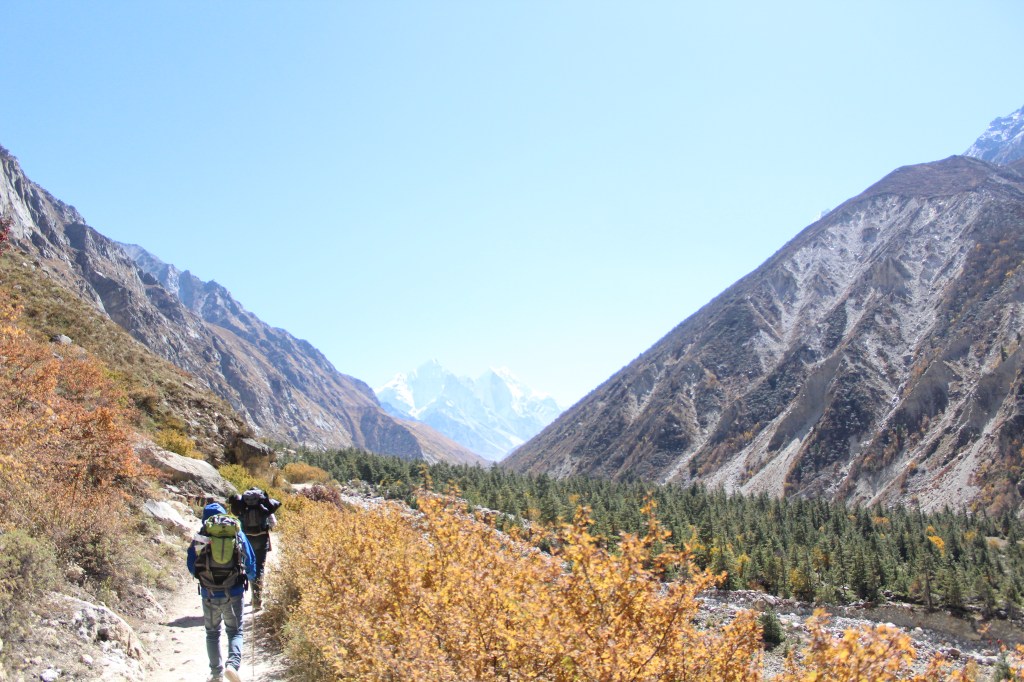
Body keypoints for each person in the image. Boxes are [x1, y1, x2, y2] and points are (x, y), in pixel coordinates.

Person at [188, 502, 257, 682]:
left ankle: (216, 674)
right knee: (235, 631)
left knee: (212, 633)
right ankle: (232, 666)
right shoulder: (236, 533)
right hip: (234, 592)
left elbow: (191, 566)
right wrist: (251, 577)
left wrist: (205, 578)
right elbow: (250, 562)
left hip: (209, 594)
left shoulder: (201, 536)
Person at [228, 487, 281, 611]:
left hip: (246, 539)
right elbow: (273, 523)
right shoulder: (263, 505)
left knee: (245, 565)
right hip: (261, 539)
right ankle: (257, 600)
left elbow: (236, 521)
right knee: (259, 567)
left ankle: (239, 596)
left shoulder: (242, 505)